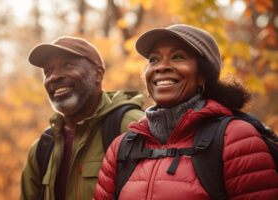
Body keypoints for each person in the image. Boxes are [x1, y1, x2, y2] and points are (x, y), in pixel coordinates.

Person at [93, 24, 278, 199]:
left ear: (203, 75)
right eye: (153, 59)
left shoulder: (236, 138)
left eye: (178, 57)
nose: (161, 66)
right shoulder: (121, 148)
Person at [19, 36, 145, 200]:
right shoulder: (43, 146)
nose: (54, 77)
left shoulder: (133, 127)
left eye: (67, 65)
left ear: (98, 74)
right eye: (48, 71)